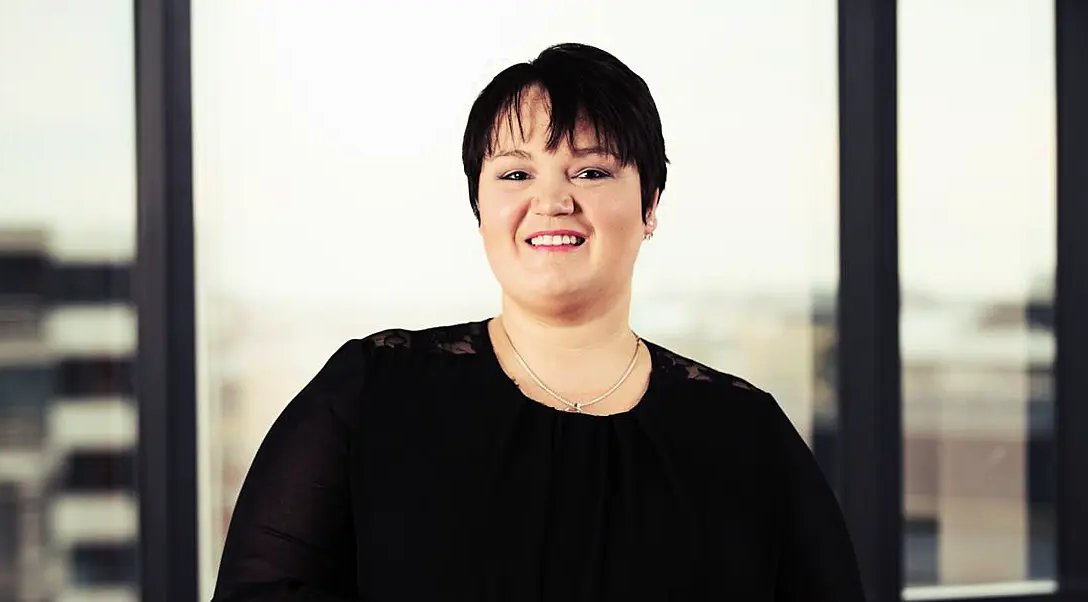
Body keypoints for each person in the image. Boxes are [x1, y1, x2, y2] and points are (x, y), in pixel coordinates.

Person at [211, 42, 865, 601]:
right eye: (516, 172)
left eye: (590, 169)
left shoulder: (745, 434)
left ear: (651, 204)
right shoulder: (371, 392)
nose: (552, 200)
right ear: (479, 207)